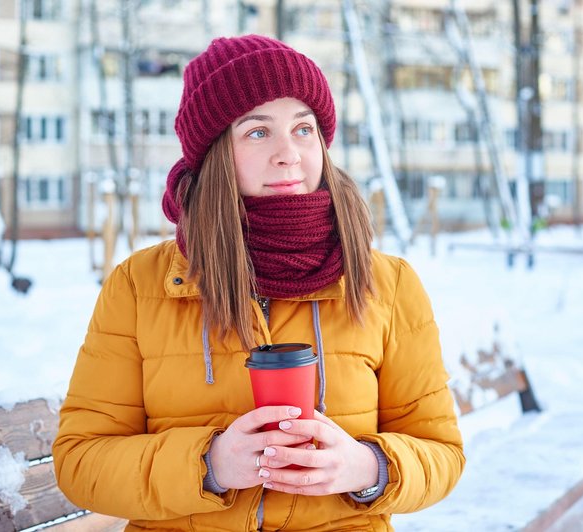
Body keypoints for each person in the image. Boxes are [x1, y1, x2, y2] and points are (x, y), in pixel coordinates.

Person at [52, 34, 464, 531]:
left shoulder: (387, 284)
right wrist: (209, 465)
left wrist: (367, 467)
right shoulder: (140, 286)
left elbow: (441, 452)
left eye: (303, 128)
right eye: (257, 132)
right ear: (214, 153)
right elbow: (80, 463)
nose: (288, 153)